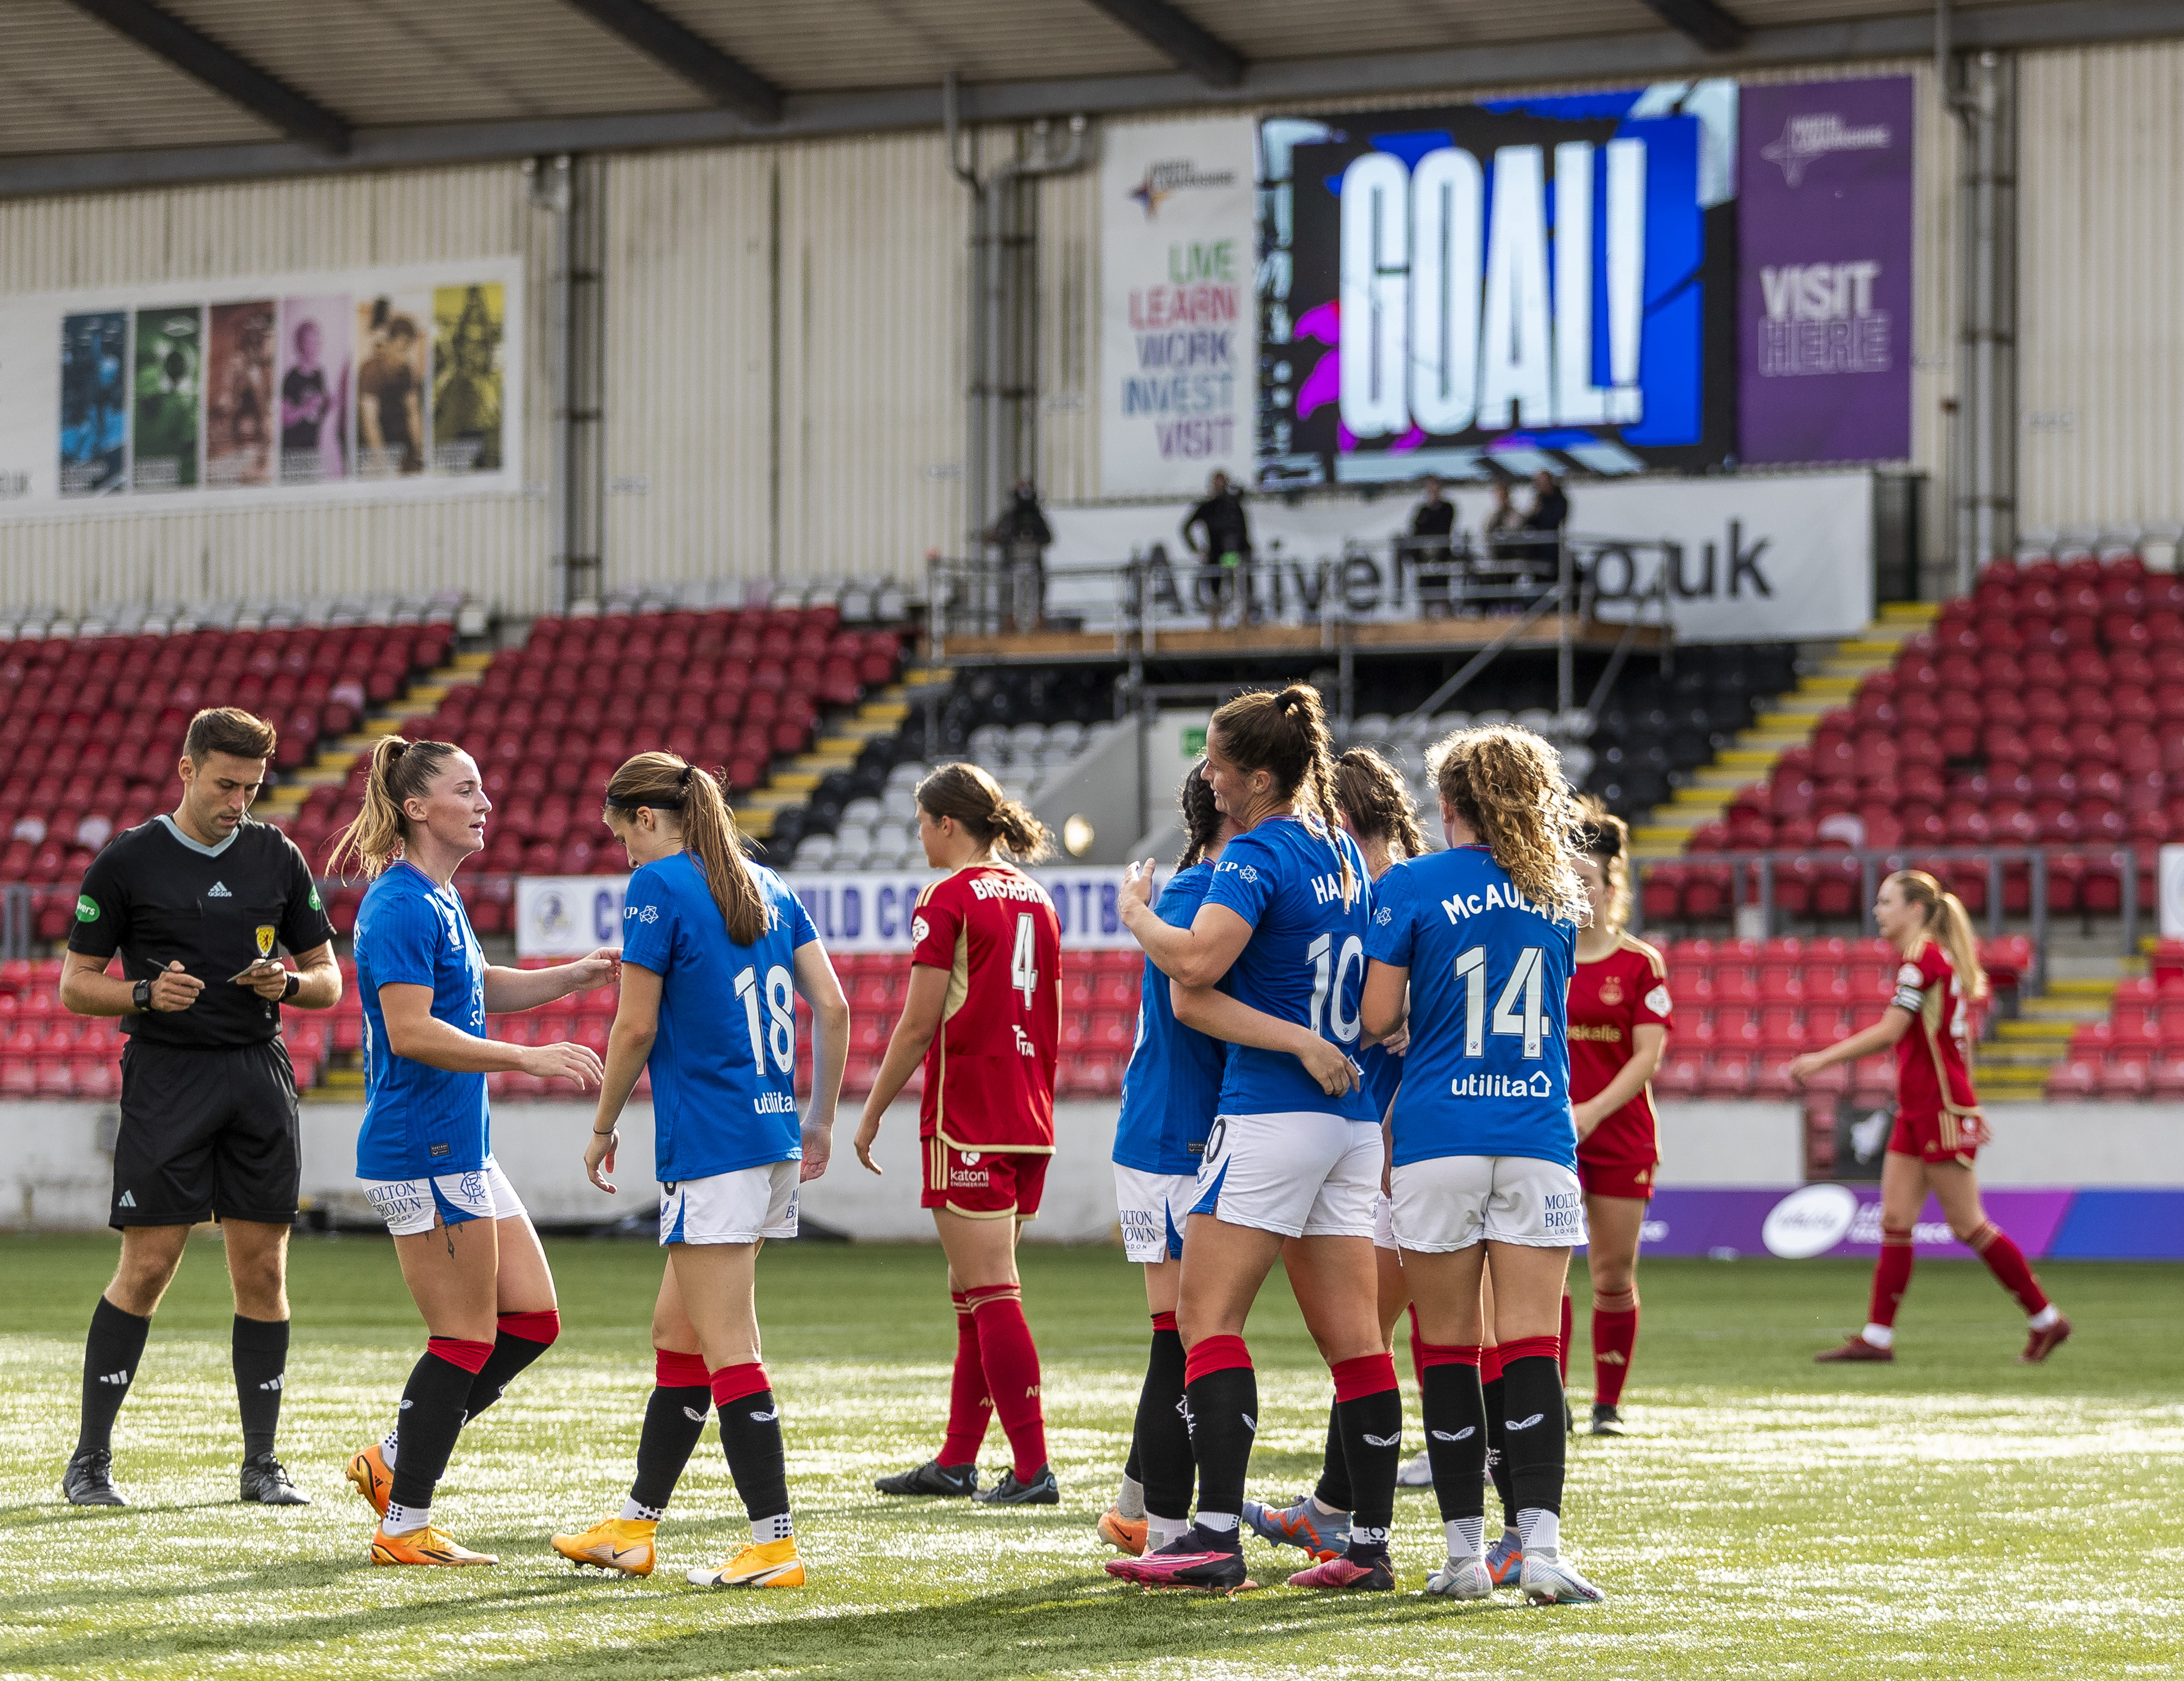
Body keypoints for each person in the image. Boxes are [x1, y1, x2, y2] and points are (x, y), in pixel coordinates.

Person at [1107, 685, 1394, 1596]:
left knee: (1206, 1321)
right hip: (1348, 1123)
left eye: (1220, 761)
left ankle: (1214, 1536)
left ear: (1258, 776)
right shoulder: (1341, 847)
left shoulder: (1258, 851)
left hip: (1273, 1110)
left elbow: (1193, 972)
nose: (1209, 773)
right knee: (1356, 1342)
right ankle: (1367, 1544)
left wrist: (1139, 917)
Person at [551, 752, 848, 1590]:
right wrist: (820, 1114)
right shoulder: (767, 883)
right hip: (770, 1134)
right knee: (676, 1336)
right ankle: (636, 1529)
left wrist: (603, 1125)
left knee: (728, 1345)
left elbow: (634, 1027)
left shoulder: (659, 887)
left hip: (712, 1145)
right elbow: (834, 1004)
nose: (623, 855)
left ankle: (774, 1542)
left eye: (621, 835)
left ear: (648, 817)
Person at [333, 736, 617, 1567]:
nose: (486, 801)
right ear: (418, 808)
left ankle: (391, 1458)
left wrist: (575, 976)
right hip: (421, 1146)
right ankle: (402, 1523)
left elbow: (476, 982)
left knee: (530, 1320)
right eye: (468, 788)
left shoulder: (438, 898)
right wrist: (530, 1057)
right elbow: (414, 1030)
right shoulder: (397, 904)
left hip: (461, 1146)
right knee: (461, 1336)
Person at [58, 707, 343, 1508]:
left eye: (251, 786)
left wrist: (285, 982)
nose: (239, 801)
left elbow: (328, 980)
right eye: (226, 784)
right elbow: (76, 984)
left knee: (263, 1268)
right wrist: (143, 991)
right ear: (185, 769)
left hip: (258, 1072)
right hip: (167, 1076)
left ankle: (262, 1464)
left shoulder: (277, 856)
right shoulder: (129, 861)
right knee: (147, 1266)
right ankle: (91, 1460)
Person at [1359, 723, 1605, 1606]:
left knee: (1447, 1346)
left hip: (1438, 1133)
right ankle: (1537, 1549)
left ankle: (1464, 1556)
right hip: (1538, 1133)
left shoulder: (1413, 883)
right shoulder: (1559, 894)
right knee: (1534, 1345)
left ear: (1450, 803)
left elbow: (1378, 1011)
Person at [854, 764, 1064, 1506]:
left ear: (948, 823)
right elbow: (1052, 1015)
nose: (919, 836)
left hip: (968, 1112)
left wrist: (873, 1109)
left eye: (922, 822)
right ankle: (956, 1460)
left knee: (992, 1292)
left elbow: (917, 1023)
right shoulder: (1039, 897)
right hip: (1028, 1117)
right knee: (974, 1292)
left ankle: (1033, 1469)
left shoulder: (948, 896)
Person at [1242, 745, 1432, 1563]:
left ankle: (1379, 1529)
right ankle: (1334, 1505)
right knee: (1373, 1338)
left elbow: (1402, 1017)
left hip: (1393, 1142)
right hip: (1404, 1140)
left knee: (1368, 1342)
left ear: (1343, 821)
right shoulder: (1409, 885)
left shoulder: (1383, 895)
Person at [1791, 872, 2069, 1365]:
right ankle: (1877, 1337)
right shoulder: (1927, 958)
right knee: (1896, 1220)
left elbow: (1893, 1030)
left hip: (1938, 1107)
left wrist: (1821, 1060)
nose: (1877, 911)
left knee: (1967, 1225)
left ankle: (2046, 1319)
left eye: (1885, 902)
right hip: (1919, 1105)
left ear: (1915, 909)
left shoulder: (1922, 959)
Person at [1566, 802, 1671, 1436]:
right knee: (1544, 1274)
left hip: (1620, 1134)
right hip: (1550, 1132)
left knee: (1611, 1274)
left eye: (1590, 882)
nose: (1580, 892)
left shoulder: (1640, 964)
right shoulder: (1545, 956)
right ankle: (1548, 1403)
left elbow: (1647, 1057)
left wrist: (1593, 1112)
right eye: (1569, 880)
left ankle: (1608, 1405)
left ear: (1612, 888)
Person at [1182, 471, 1253, 630]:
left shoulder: (1234, 505)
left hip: (1236, 554)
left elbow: (1243, 530)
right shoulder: (1207, 507)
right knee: (1216, 591)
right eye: (1217, 483)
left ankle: (1244, 620)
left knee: (1240, 586)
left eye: (1223, 483)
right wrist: (1196, 549)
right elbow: (1186, 528)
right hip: (1217, 556)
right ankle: (1215, 623)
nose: (1220, 487)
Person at [988, 477, 1053, 633]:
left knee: (1038, 595)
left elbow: (1048, 538)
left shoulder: (1037, 517)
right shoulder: (1009, 517)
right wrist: (1002, 538)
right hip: (1012, 564)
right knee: (1008, 594)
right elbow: (995, 535)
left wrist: (1033, 541)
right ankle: (1010, 629)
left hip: (1034, 566)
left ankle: (1038, 629)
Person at [1406, 476, 1458, 615]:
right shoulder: (1422, 510)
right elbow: (1416, 530)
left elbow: (1443, 527)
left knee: (1443, 592)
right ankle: (1425, 623)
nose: (1433, 491)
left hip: (1442, 558)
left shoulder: (1448, 508)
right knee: (1425, 593)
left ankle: (1448, 620)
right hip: (1424, 560)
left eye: (1436, 488)